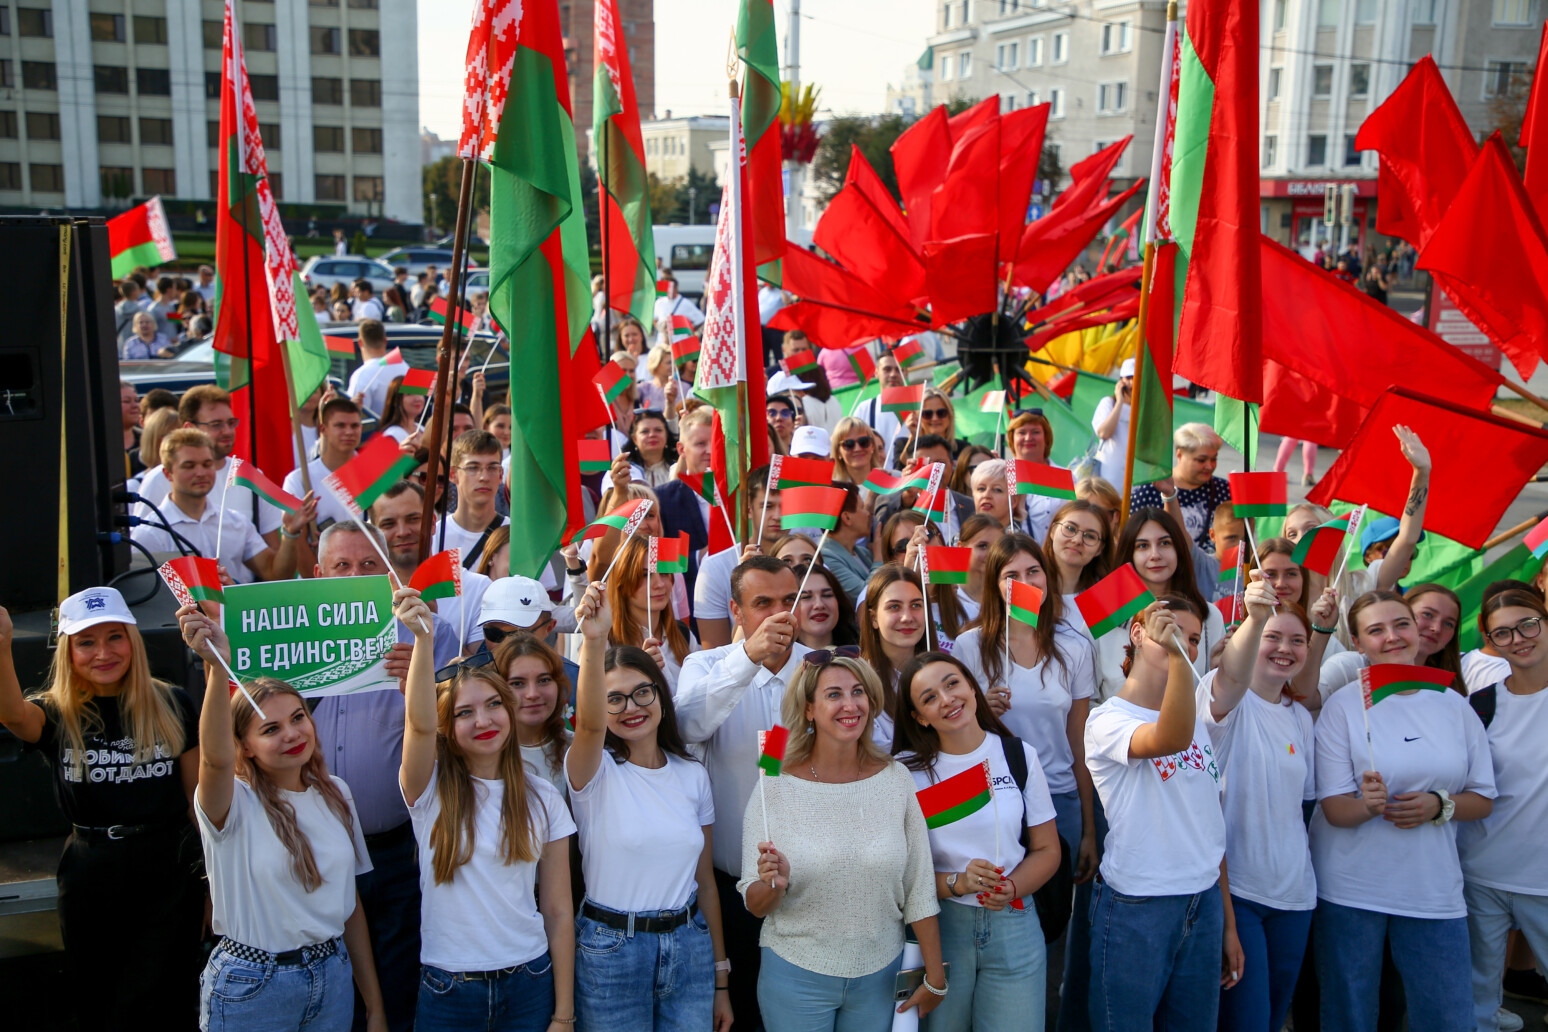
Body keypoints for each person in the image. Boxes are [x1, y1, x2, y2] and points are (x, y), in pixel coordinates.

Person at [175, 606, 387, 1032]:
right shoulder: (232, 802)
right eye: (269, 729)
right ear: (246, 746)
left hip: (334, 978)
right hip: (253, 987)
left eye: (297, 718)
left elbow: (350, 910)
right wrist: (217, 670)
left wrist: (375, 1006)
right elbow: (214, 760)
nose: (291, 734)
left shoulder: (337, 793)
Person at [0, 589, 203, 1029]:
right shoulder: (58, 712)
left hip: (169, 870)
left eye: (115, 637)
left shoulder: (172, 703)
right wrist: (2, 642)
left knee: (168, 999)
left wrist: (214, 884)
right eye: (87, 642)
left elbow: (197, 803)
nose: (103, 652)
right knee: (99, 1001)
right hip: (91, 872)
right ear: (68, 651)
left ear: (133, 640)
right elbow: (13, 715)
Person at [1309, 590, 1496, 1032]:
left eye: (1401, 624)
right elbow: (1335, 808)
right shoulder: (1342, 706)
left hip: (1433, 890)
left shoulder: (1455, 704)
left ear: (1417, 630)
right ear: (1357, 643)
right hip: (1351, 890)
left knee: (1448, 1016)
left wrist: (1440, 804)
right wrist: (1366, 806)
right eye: (1376, 630)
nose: (1392, 637)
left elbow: (1483, 798)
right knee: (1348, 1016)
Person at [397, 587, 577, 1032]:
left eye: (495, 704)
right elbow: (417, 725)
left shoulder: (543, 797)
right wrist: (422, 641)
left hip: (530, 981)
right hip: (449, 987)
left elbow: (557, 911)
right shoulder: (429, 790)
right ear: (446, 725)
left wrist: (564, 1013)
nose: (483, 721)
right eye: (464, 713)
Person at [738, 652, 947, 1031]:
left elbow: (918, 888)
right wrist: (774, 886)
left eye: (858, 692)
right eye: (834, 694)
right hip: (795, 976)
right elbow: (754, 904)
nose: (850, 705)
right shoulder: (774, 785)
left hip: (881, 976)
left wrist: (935, 977)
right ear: (809, 710)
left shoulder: (897, 779)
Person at [567, 585, 733, 1032]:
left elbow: (706, 884)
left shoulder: (692, 773)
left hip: (690, 946)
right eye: (614, 698)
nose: (631, 708)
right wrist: (596, 641)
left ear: (660, 694)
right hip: (611, 952)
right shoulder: (592, 769)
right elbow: (587, 724)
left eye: (643, 693)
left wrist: (721, 979)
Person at [1084, 597, 1236, 1030]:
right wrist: (1174, 655)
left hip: (1202, 899)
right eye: (1170, 629)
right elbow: (1169, 737)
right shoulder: (1106, 719)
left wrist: (1225, 921)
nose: (1184, 645)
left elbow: (1209, 823)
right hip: (1139, 904)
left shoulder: (1200, 718)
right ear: (1137, 634)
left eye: (1192, 639)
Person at [893, 652, 1063, 1030]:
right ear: (919, 717)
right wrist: (958, 883)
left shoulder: (1019, 755)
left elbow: (1048, 849)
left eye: (952, 683)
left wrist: (1012, 886)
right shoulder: (905, 773)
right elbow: (900, 874)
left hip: (1015, 925)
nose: (947, 698)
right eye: (929, 697)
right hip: (941, 929)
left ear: (971, 685)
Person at [675, 556, 809, 1026]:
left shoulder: (820, 671)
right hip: (732, 892)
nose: (781, 612)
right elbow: (685, 724)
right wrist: (748, 659)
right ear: (735, 610)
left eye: (789, 600)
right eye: (763, 603)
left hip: (810, 888)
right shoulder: (705, 664)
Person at [1200, 579, 1330, 1032]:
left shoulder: (1300, 717)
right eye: (1272, 637)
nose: (1285, 648)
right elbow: (1230, 679)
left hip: (1296, 896)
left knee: (1274, 1021)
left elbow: (1303, 807)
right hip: (1239, 895)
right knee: (1245, 1023)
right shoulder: (1223, 703)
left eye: (1297, 641)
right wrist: (1255, 619)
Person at [954, 534, 1098, 882]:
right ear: (995, 584)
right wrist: (979, 714)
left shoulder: (1075, 647)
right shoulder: (969, 646)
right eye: (1011, 575)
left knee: (1058, 920)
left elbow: (1077, 741)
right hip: (993, 800)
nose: (1025, 583)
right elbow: (952, 737)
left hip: (1059, 797)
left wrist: (1090, 829)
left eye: (1033, 571)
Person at [1462, 590, 1548, 1032]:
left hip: (1544, 882)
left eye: (1528, 624)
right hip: (1483, 876)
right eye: (1503, 632)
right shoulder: (1481, 704)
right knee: (1476, 1003)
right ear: (1490, 640)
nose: (1518, 638)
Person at [130, 428, 313, 583]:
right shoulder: (149, 534)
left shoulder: (235, 522)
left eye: (207, 464)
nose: (200, 473)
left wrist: (290, 533)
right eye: (189, 466)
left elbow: (275, 575)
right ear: (168, 473)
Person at [1100, 509, 1226, 695]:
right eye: (1142, 546)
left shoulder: (1209, 615)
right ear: (1129, 554)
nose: (1155, 555)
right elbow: (1088, 697)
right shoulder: (1103, 612)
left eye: (1165, 543)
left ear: (1179, 550)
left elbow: (1214, 696)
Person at [692, 466, 783, 649]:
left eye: (786, 506)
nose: (778, 516)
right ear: (749, 510)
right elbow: (714, 654)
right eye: (767, 506)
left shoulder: (808, 560)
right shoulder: (714, 568)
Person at [261, 396, 367, 540]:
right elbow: (296, 540)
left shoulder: (375, 472)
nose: (349, 432)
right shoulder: (299, 479)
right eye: (340, 426)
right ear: (323, 429)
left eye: (355, 426)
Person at [603, 536, 696, 689]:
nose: (659, 584)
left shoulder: (683, 634)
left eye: (665, 573)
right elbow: (591, 704)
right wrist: (641, 672)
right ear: (622, 582)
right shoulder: (605, 642)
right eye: (645, 575)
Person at [489, 631, 575, 795]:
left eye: (544, 680)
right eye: (517, 683)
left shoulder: (576, 748)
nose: (533, 694)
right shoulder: (483, 754)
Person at [1130, 424, 1233, 555]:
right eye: (1201, 460)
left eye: (1214, 459)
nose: (1209, 466)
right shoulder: (1148, 491)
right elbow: (1131, 536)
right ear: (1180, 454)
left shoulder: (1225, 490)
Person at [858, 564, 928, 749]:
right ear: (873, 618)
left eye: (916, 605)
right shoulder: (859, 683)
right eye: (894, 607)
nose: (907, 617)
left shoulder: (946, 673)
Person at [655, 407, 716, 600]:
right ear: (682, 449)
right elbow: (659, 561)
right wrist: (700, 557)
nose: (709, 451)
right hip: (691, 603)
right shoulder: (663, 499)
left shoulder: (738, 493)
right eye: (700, 444)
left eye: (714, 443)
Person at [1043, 500, 1113, 639]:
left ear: (1100, 548)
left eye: (1090, 536)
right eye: (1070, 528)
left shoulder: (1105, 598)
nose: (1077, 540)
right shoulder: (1030, 585)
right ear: (1052, 530)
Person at [440, 430, 508, 567]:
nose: (484, 477)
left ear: (501, 475)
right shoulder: (435, 537)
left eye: (492, 468)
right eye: (472, 468)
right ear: (453, 474)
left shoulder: (516, 535)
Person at [972, 458, 1061, 545]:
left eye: (997, 490)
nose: (986, 495)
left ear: (1014, 501)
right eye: (981, 489)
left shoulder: (1024, 546)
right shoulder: (963, 536)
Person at [818, 482, 875, 600]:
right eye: (862, 508)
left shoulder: (863, 552)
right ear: (847, 518)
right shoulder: (825, 557)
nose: (868, 513)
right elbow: (866, 596)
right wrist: (879, 559)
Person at [346, 321, 407, 420]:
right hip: (408, 432)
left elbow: (354, 416)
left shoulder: (362, 375)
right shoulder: (404, 367)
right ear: (385, 341)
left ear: (360, 342)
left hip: (376, 433)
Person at [793, 562, 860, 651]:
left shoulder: (862, 655)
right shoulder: (777, 661)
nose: (819, 605)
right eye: (806, 597)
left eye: (827, 595)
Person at [1090, 359, 1133, 487]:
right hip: (1109, 477)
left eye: (1136, 378)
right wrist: (1119, 402)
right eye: (1129, 378)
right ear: (1121, 381)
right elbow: (1104, 433)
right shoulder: (1109, 403)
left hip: (1134, 480)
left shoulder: (1145, 408)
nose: (1132, 383)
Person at [853, 351, 908, 447]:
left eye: (899, 369)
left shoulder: (918, 409)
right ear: (876, 372)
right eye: (887, 369)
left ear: (906, 373)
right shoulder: (865, 409)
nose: (893, 374)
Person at [624, 409, 678, 488]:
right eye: (645, 431)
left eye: (658, 430)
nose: (652, 435)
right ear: (634, 439)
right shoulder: (627, 471)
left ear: (666, 435)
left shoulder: (679, 467)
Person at [654, 274, 704, 345]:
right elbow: (655, 319)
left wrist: (687, 331)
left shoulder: (685, 303)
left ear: (676, 288)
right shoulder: (659, 303)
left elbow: (701, 319)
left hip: (679, 344)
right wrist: (662, 328)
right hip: (662, 343)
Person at [637, 344, 683, 416]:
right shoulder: (643, 388)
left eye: (674, 362)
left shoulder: (684, 387)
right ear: (656, 364)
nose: (673, 366)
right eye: (669, 363)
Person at [379, 378, 427, 444]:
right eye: (409, 394)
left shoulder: (423, 429)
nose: (418, 398)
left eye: (420, 393)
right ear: (395, 400)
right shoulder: (391, 435)